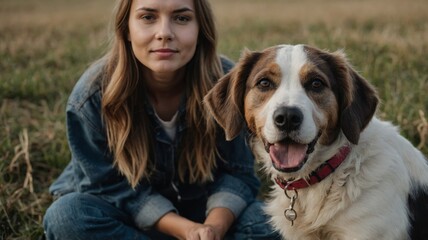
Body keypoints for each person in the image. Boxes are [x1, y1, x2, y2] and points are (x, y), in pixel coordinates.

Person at [43, 0, 279, 239]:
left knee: (272, 222)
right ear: (126, 28)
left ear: (201, 28)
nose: (164, 33)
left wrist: (211, 229)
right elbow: (108, 187)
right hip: (125, 218)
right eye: (148, 17)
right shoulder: (92, 96)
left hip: (206, 213)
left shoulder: (227, 86)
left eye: (182, 18)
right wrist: (185, 230)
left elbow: (238, 174)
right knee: (66, 215)